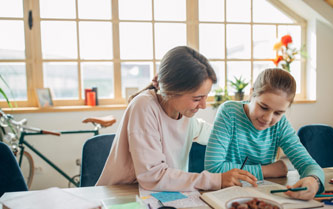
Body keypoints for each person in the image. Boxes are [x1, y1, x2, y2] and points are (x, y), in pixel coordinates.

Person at [96, 46, 257, 191]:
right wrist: (217, 179)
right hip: (122, 197)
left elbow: (213, 134)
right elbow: (153, 177)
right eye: (197, 98)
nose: (203, 105)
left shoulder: (185, 115)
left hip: (158, 195)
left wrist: (247, 138)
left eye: (205, 97)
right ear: (172, 91)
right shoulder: (144, 106)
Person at [204, 68, 324, 200]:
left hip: (261, 196)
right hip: (224, 196)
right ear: (252, 94)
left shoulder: (280, 124)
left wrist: (314, 181)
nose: (267, 118)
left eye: (278, 113)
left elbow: (308, 165)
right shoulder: (229, 112)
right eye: (263, 107)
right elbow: (213, 168)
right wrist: (267, 170)